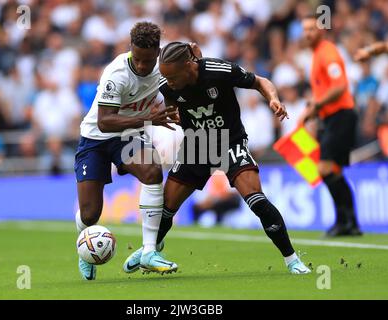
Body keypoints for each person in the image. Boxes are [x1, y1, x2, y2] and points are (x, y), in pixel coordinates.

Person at [126, 41, 311, 274]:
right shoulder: (167, 84)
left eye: (172, 77)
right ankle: (150, 249)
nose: (168, 82)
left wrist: (273, 98)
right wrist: (172, 115)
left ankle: (292, 260)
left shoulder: (218, 71)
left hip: (230, 142)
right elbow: (172, 104)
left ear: (188, 66)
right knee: (167, 208)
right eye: (165, 77)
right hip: (197, 146)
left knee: (257, 201)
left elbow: (260, 82)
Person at [74, 22, 179, 280]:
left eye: (147, 60)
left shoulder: (163, 67)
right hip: (96, 139)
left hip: (128, 136)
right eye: (137, 59)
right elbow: (104, 121)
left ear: (157, 51)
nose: (142, 66)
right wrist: (147, 119)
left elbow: (186, 67)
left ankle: (149, 251)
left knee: (152, 171)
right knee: (90, 213)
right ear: (130, 49)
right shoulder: (116, 73)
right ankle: (84, 249)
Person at [299, 15, 362, 237]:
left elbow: (340, 86)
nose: (307, 33)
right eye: (304, 29)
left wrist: (317, 104)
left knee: (325, 168)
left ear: (322, 30)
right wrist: (315, 107)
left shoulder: (328, 53)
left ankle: (346, 221)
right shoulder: (316, 55)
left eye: (311, 29)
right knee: (333, 170)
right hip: (332, 117)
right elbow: (326, 89)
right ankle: (348, 222)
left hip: (342, 115)